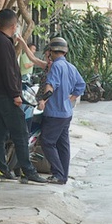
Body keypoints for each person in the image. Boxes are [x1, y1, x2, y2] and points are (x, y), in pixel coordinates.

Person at [0, 9, 47, 184]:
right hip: (6, 96)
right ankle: (28, 171)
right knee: (20, 133)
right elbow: (8, 72)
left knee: (0, 133)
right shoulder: (4, 43)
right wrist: (15, 94)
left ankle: (1, 169)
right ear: (13, 26)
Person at [37, 37, 85, 184]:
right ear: (65, 51)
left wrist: (43, 100)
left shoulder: (56, 67)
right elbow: (81, 85)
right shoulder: (71, 67)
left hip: (54, 113)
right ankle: (63, 176)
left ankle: (58, 173)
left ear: (51, 51)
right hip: (66, 113)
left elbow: (50, 87)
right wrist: (70, 99)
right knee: (63, 145)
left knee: (47, 142)